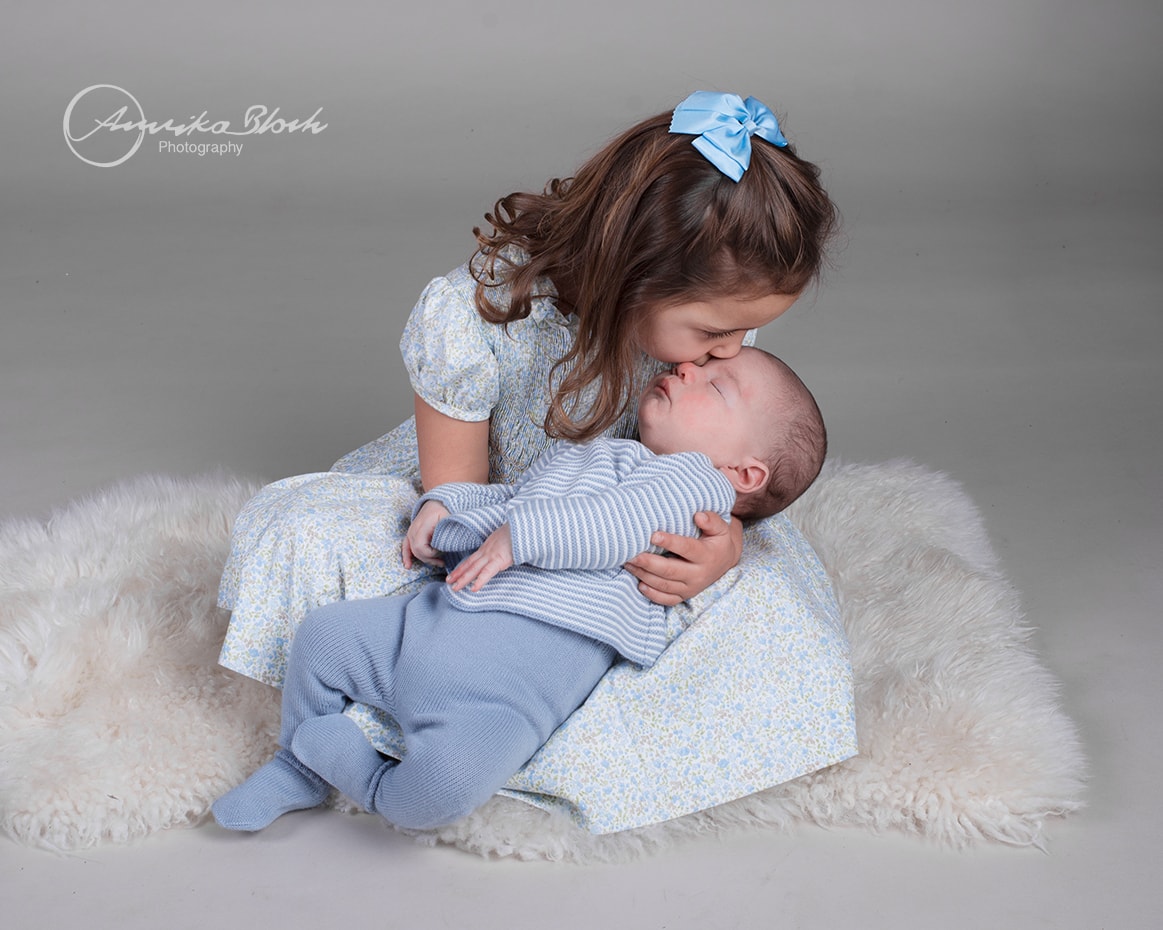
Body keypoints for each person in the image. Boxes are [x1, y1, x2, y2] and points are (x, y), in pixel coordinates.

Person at [215, 92, 856, 831]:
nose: (729, 354)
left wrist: (722, 547)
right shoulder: (478, 313)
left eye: (745, 337)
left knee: (771, 595)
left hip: (614, 552)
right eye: (716, 332)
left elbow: (715, 470)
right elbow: (455, 494)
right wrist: (459, 522)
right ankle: (337, 739)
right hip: (492, 513)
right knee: (305, 529)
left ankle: (510, 726)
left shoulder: (689, 372)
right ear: (635, 273)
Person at [212, 348, 827, 832]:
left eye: (715, 385)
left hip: (504, 696)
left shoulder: (695, 487)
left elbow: (610, 529)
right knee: (322, 637)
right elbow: (518, 502)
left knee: (442, 789)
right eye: (695, 365)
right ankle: (296, 769)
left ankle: (369, 781)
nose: (687, 369)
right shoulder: (603, 457)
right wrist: (447, 509)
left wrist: (515, 539)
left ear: (744, 473)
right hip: (432, 622)